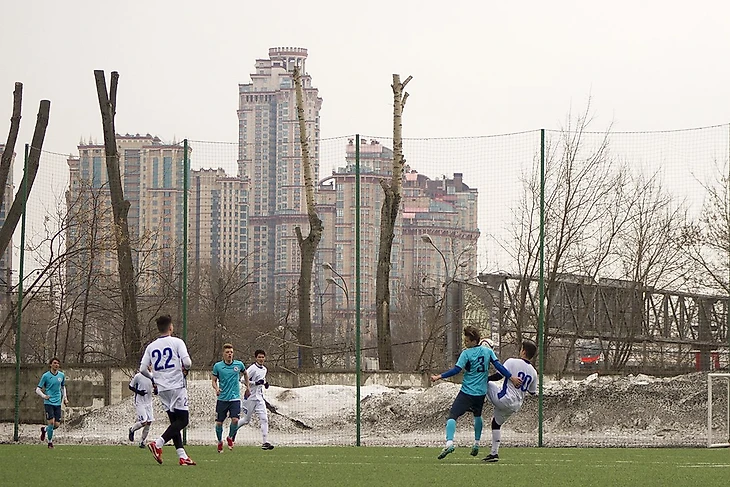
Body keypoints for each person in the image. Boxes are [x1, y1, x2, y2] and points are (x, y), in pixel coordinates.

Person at [430, 326, 521, 460]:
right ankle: (476, 444)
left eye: (467, 341)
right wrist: (511, 377)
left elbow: (456, 370)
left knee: (452, 415)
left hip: (467, 391)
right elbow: (499, 367)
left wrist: (439, 376)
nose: (465, 343)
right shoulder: (487, 351)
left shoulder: (466, 354)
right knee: (477, 415)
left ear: (474, 341)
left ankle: (449, 443)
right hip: (480, 393)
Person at [140, 314, 196, 466]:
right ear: (170, 327)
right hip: (176, 386)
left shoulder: (151, 347)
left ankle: (182, 456)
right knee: (183, 420)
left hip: (162, 388)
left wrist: (153, 378)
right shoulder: (177, 342)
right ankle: (157, 444)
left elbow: (142, 368)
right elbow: (188, 362)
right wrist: (185, 369)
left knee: (174, 422)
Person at [482, 339, 538, 463]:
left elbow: (498, 376)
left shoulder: (512, 362)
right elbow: (532, 392)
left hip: (504, 399)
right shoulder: (534, 372)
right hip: (515, 405)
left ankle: (474, 406)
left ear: (523, 351)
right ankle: (494, 453)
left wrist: (483, 377)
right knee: (496, 424)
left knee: (484, 383)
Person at [211, 343, 250, 453]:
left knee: (235, 420)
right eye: (227, 352)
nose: (229, 354)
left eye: (231, 352)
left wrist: (248, 387)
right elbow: (213, 380)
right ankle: (219, 442)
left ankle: (230, 437)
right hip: (222, 399)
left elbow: (246, 374)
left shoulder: (239, 365)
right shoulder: (218, 366)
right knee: (219, 423)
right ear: (223, 353)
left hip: (235, 398)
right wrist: (217, 389)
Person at [242, 349, 274, 450]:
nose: (261, 359)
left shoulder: (264, 369)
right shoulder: (252, 368)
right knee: (246, 420)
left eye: (262, 357)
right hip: (250, 397)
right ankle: (231, 434)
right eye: (259, 357)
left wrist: (265, 383)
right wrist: (255, 383)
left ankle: (265, 443)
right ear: (256, 358)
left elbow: (261, 380)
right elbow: (242, 380)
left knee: (264, 419)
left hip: (259, 398)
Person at [36, 357, 69, 449]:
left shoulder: (61, 375)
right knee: (51, 422)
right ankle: (50, 443)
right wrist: (44, 396)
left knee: (56, 425)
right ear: (50, 364)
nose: (56, 365)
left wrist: (65, 398)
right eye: (54, 363)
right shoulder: (45, 376)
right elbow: (38, 389)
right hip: (48, 402)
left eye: (58, 363)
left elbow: (63, 387)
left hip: (57, 402)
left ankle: (44, 429)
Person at [128, 365, 156, 448]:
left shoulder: (152, 376)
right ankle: (132, 430)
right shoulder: (138, 376)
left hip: (149, 402)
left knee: (149, 422)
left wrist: (156, 390)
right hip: (140, 402)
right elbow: (130, 386)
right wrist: (139, 392)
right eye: (148, 365)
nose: (149, 367)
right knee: (144, 421)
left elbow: (155, 387)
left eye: (150, 365)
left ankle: (142, 441)